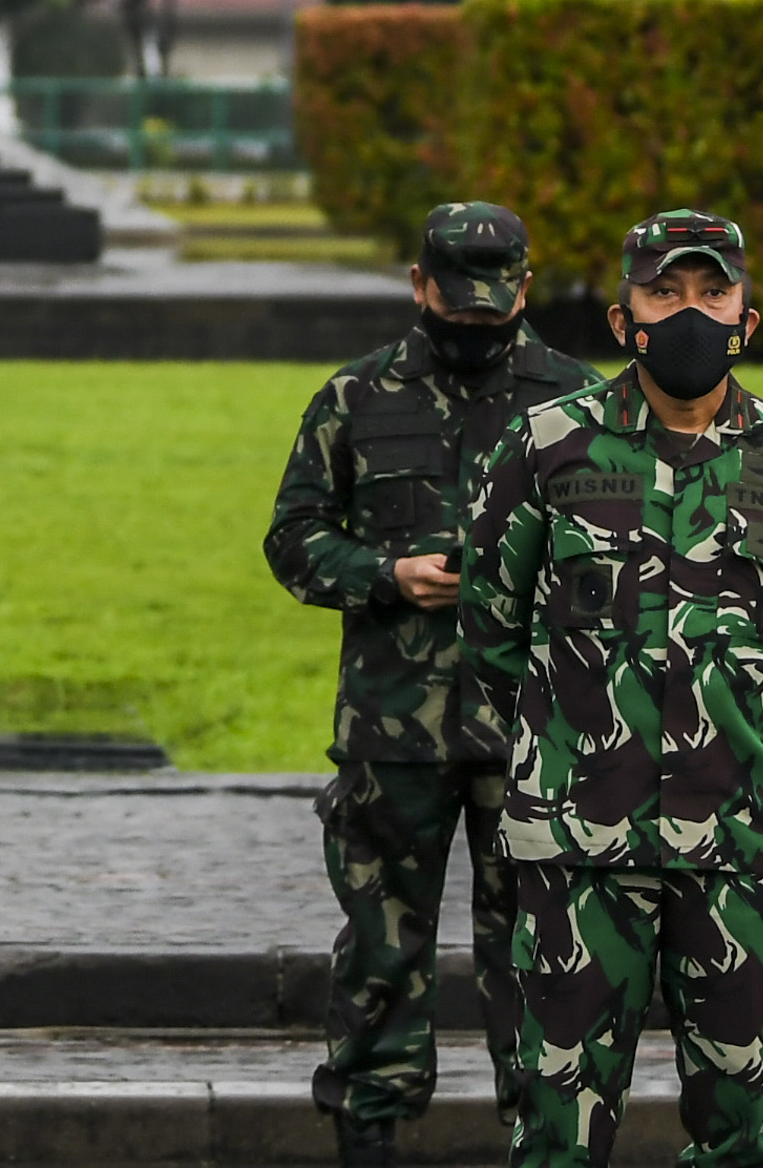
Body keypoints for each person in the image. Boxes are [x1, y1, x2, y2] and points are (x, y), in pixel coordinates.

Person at [464, 208, 763, 1168]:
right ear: (622, 317)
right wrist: (587, 723)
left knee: (746, 1127)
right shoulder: (544, 447)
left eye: (713, 293)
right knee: (558, 1126)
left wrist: (727, 721)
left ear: (747, 318)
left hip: (739, 838)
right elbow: (493, 626)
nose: (691, 312)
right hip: (579, 840)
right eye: (665, 293)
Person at [265, 202, 599, 1168]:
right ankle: (369, 1129)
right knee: (379, 943)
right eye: (458, 312)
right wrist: (387, 574)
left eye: (492, 317)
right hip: (392, 730)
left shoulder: (577, 405)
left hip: (532, 727)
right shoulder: (355, 399)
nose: (474, 330)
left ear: (524, 294)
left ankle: (541, 1134)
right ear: (419, 288)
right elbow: (293, 540)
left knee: (539, 948)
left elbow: (622, 555)